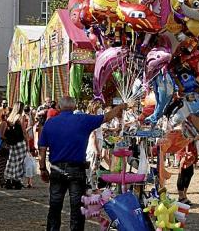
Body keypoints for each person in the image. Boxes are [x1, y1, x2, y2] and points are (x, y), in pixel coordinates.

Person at [38, 96, 131, 231]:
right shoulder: (82, 120)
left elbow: (42, 149)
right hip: (76, 169)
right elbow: (106, 117)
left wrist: (42, 168)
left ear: (59, 107)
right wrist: (120, 107)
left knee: (55, 206)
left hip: (56, 168)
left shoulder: (50, 123)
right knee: (77, 207)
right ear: (74, 107)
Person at [3, 101, 29, 190]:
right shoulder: (20, 117)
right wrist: (28, 143)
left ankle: (8, 180)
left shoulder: (10, 117)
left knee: (11, 161)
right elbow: (24, 131)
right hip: (19, 142)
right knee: (19, 162)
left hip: (12, 142)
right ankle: (17, 181)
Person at [85, 101, 103, 188]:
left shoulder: (92, 118)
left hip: (96, 143)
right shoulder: (93, 119)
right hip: (94, 145)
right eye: (99, 108)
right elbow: (93, 135)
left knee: (94, 166)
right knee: (93, 166)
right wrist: (97, 150)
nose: (101, 110)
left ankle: (92, 185)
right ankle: (91, 186)